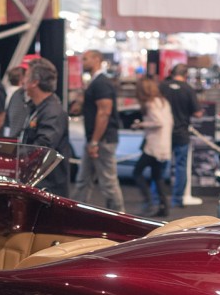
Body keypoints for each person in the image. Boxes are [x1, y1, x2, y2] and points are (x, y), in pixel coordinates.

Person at [72, 49, 124, 212]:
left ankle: (121, 218)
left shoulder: (101, 82)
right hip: (95, 139)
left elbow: (104, 112)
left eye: (86, 59)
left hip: (102, 140)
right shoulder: (96, 82)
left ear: (96, 59)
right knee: (83, 181)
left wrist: (95, 141)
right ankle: (75, 215)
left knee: (108, 183)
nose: (83, 62)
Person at [19, 58, 72, 197]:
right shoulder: (39, 107)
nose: (23, 80)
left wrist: (14, 155)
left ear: (35, 82)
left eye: (26, 75)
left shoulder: (52, 111)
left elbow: (42, 149)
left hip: (49, 188)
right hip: (39, 183)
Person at [159, 64, 202, 207]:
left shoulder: (162, 87)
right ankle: (177, 199)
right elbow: (197, 112)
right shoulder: (188, 89)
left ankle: (158, 198)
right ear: (186, 74)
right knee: (181, 166)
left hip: (164, 132)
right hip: (182, 132)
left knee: (159, 165)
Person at [130, 76, 173, 217]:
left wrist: (141, 125)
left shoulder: (150, 104)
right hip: (164, 144)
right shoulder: (163, 101)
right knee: (157, 177)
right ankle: (163, 206)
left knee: (137, 172)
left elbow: (158, 122)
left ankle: (149, 201)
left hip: (154, 145)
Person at [3, 65, 28, 138]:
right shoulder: (19, 95)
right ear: (22, 78)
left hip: (6, 133)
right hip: (15, 137)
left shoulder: (5, 91)